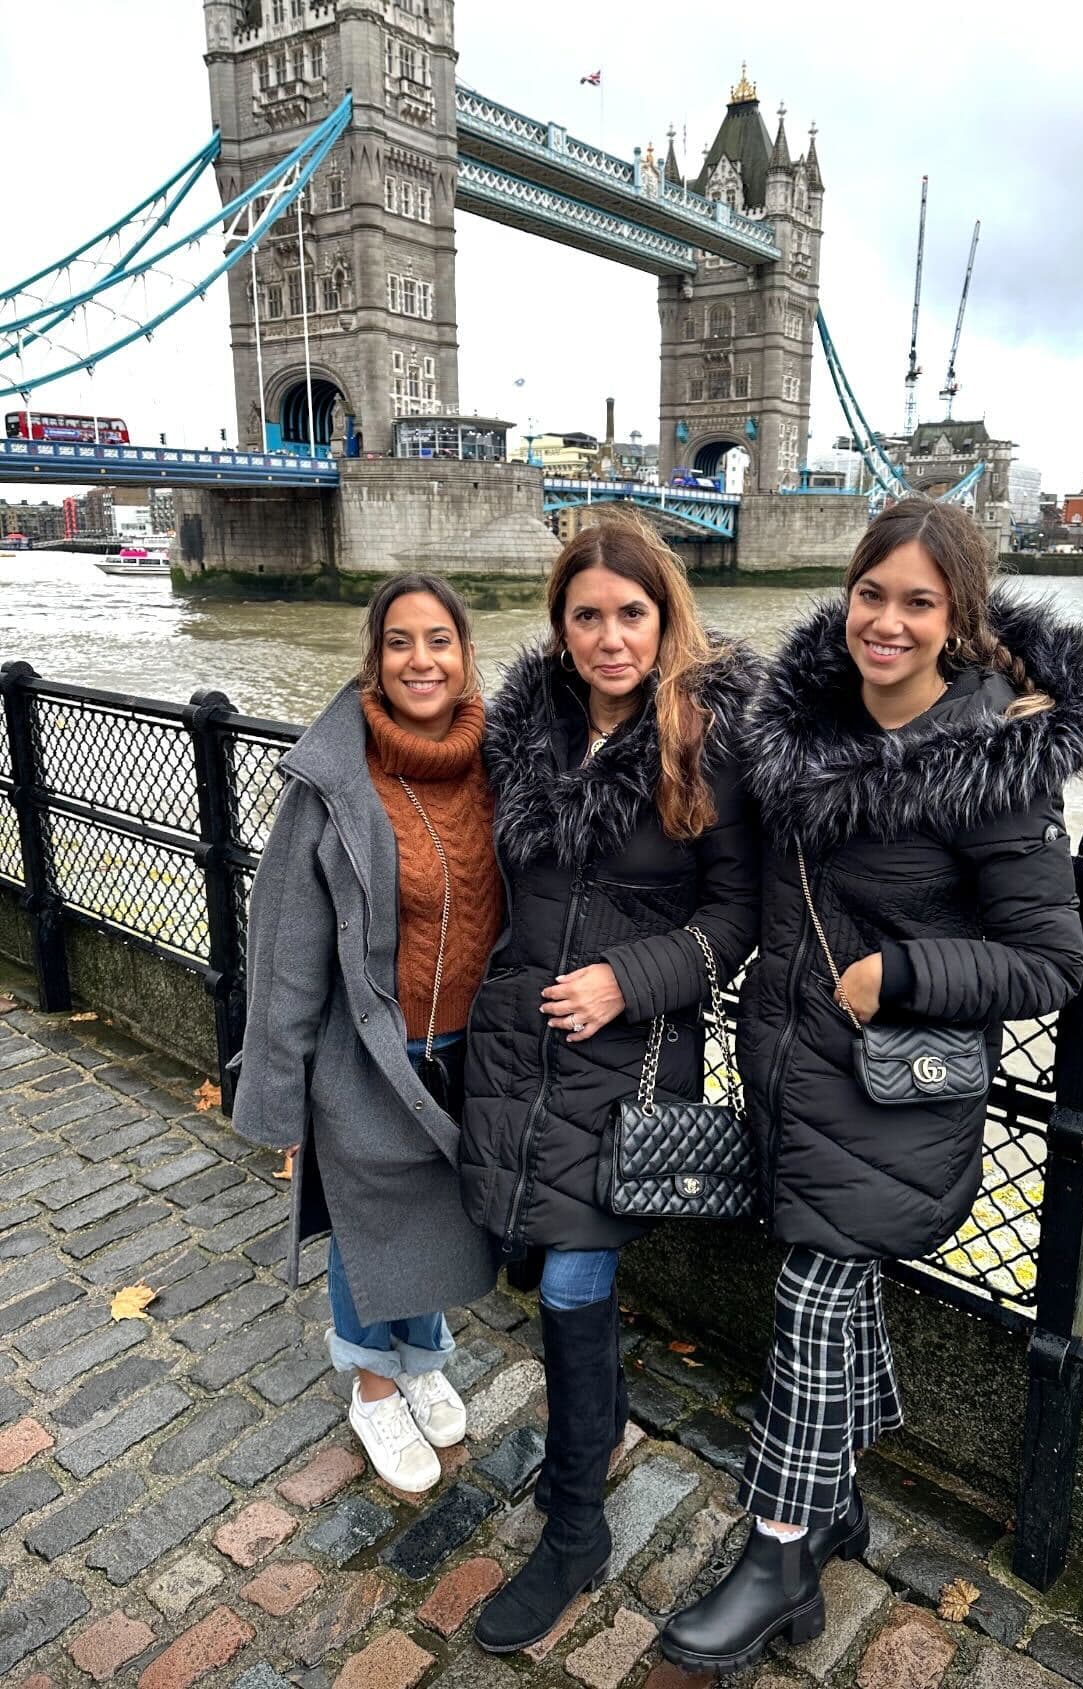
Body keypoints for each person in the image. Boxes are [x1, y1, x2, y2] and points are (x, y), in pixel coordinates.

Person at [661, 497, 1083, 1673]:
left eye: (919, 602)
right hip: (782, 1065)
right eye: (873, 592)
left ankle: (775, 1554)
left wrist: (903, 971)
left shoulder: (996, 762)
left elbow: (1052, 964)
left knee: (817, 1299)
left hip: (890, 1092)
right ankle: (837, 1513)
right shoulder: (797, 721)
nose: (887, 621)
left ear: (958, 618)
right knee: (835, 1293)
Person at [461, 515, 760, 1654]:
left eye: (630, 613)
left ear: (664, 614)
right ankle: (596, 1440)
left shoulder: (708, 735)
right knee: (535, 1275)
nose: (609, 636)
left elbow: (736, 917)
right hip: (515, 1047)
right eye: (586, 615)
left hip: (626, 1060)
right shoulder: (524, 728)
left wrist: (626, 981)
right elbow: (420, 755)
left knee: (579, 1287)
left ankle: (574, 1530)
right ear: (560, 626)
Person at [232, 573, 503, 1495]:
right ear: (375, 658)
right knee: (368, 1224)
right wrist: (280, 1088)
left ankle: (422, 1356)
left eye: (438, 640)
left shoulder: (502, 763)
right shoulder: (333, 780)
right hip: (367, 1053)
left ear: (466, 655)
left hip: (472, 1049)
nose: (419, 659)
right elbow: (284, 944)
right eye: (399, 641)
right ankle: (373, 1384)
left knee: (442, 1213)